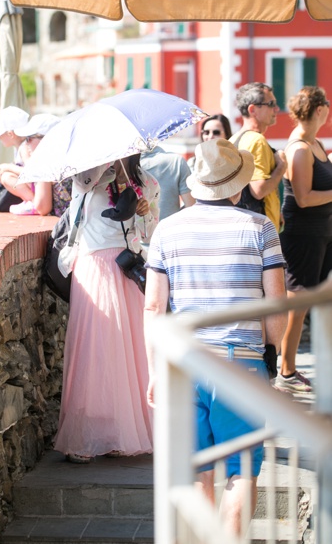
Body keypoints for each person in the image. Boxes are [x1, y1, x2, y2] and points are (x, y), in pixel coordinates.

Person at [144, 138, 287, 537]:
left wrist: (155, 370)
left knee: (196, 469)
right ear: (237, 187)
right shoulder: (261, 228)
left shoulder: (166, 230)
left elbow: (153, 309)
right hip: (239, 362)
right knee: (241, 470)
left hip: (184, 363)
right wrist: (270, 356)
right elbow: (276, 303)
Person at [53, 153, 159, 463]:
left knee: (130, 352)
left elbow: (150, 231)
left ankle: (121, 433)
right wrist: (112, 174)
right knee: (96, 348)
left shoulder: (148, 182)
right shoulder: (88, 175)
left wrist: (145, 209)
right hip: (94, 263)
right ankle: (87, 436)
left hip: (128, 266)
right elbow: (80, 201)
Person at [275, 86, 332, 393]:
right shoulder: (299, 148)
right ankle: (286, 372)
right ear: (319, 110)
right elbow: (304, 197)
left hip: (322, 234)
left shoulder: (317, 144)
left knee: (312, 304)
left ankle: (291, 368)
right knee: (297, 307)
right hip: (302, 237)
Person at [230, 83, 287, 231]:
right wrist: (281, 167)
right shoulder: (256, 140)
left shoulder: (234, 139)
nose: (277, 109)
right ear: (253, 109)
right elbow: (259, 190)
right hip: (260, 230)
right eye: (271, 104)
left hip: (242, 225)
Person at [3, 113, 73, 217]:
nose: (26, 144)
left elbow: (42, 208)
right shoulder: (65, 156)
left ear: (46, 139)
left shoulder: (45, 161)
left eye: (29, 138)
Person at [141, 145, 194, 220]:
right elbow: (191, 207)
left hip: (133, 230)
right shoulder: (176, 161)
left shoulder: (122, 166)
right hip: (171, 229)